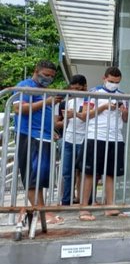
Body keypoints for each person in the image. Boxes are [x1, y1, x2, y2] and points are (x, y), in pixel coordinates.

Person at [13, 60, 64, 228]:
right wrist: (46, 102)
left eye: (52, 76)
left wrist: (53, 131)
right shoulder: (26, 85)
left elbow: (49, 116)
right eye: (46, 75)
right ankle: (41, 212)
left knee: (40, 178)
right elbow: (19, 108)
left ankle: (38, 210)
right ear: (37, 71)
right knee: (32, 176)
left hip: (45, 137)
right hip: (30, 135)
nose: (49, 78)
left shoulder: (46, 91)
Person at [78, 67, 128, 221]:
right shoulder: (94, 93)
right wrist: (103, 107)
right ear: (104, 78)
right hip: (96, 136)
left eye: (117, 82)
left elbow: (125, 119)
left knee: (111, 173)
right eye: (111, 81)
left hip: (115, 138)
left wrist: (123, 110)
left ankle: (110, 206)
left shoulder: (123, 96)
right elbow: (84, 115)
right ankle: (84, 208)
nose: (114, 84)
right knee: (90, 173)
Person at [56, 75, 88, 206]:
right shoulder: (66, 101)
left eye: (79, 89)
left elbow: (88, 117)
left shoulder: (91, 99)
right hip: (68, 139)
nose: (76, 91)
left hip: (85, 139)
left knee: (85, 172)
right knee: (67, 172)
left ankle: (85, 200)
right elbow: (59, 123)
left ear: (85, 87)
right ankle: (66, 199)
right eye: (73, 88)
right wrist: (65, 119)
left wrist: (75, 114)